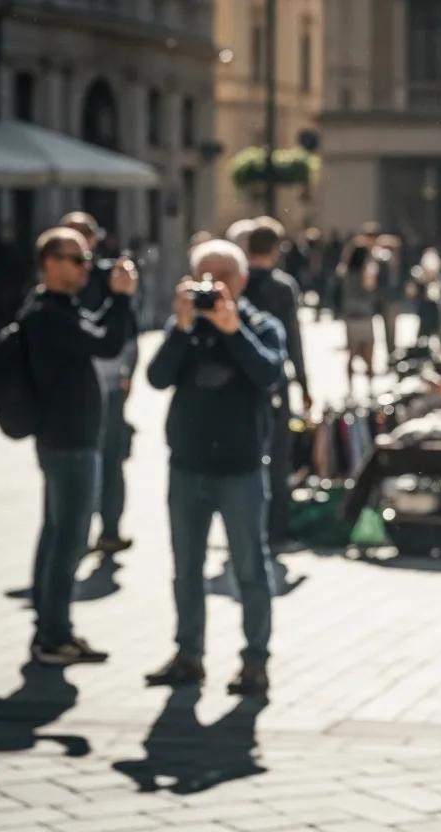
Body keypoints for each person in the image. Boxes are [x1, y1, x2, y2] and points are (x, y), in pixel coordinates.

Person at [145, 239, 285, 695]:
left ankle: (255, 661)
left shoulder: (261, 326)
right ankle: (188, 656)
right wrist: (182, 328)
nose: (212, 284)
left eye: (222, 275)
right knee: (186, 569)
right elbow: (157, 377)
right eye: (203, 276)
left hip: (241, 470)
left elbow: (268, 374)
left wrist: (233, 330)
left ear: (241, 280)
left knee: (250, 569)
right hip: (187, 467)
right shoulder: (185, 327)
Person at [21, 227, 138, 664]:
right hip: (69, 442)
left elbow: (96, 334)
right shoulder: (48, 314)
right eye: (77, 259)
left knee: (56, 533)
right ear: (50, 263)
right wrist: (121, 298)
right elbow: (108, 343)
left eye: (87, 259)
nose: (86, 267)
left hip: (66, 439)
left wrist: (114, 300)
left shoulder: (54, 309)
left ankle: (49, 629)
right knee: (69, 540)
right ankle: (54, 636)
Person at [60, 212, 140, 556]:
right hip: (69, 388)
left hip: (107, 383)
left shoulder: (108, 276)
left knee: (109, 458)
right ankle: (73, 533)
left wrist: (127, 372)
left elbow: (126, 332)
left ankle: (109, 529)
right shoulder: (55, 285)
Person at [244, 219, 312, 550]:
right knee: (279, 455)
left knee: (247, 454)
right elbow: (293, 340)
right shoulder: (283, 287)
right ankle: (277, 531)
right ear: (275, 249)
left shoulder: (239, 282)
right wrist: (304, 383)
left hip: (241, 379)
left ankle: (246, 526)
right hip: (274, 378)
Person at [337, 229, 381, 393]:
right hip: (364, 314)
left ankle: (350, 388)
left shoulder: (345, 273)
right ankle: (370, 388)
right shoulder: (366, 271)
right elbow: (370, 287)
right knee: (369, 353)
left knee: (351, 352)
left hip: (350, 315)